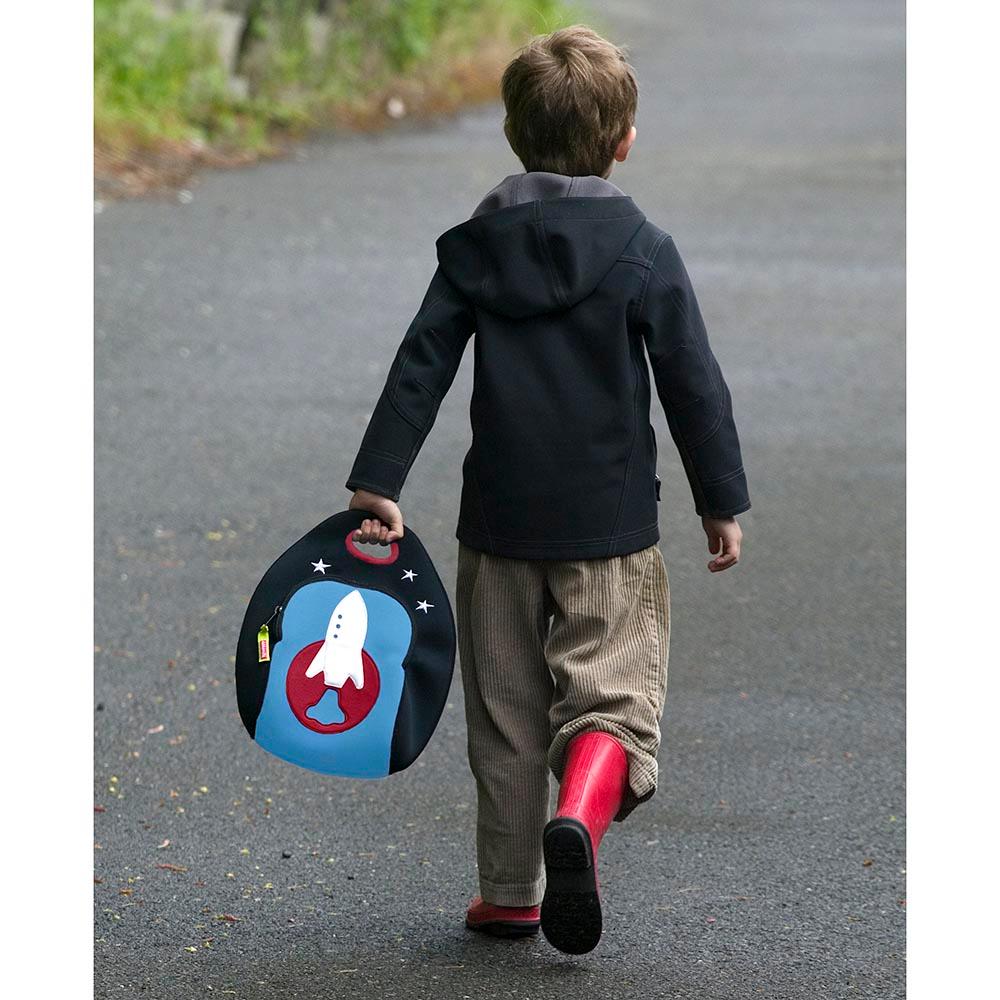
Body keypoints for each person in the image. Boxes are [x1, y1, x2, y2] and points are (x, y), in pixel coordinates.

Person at [343, 24, 750, 954]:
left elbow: (421, 366)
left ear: (513, 135)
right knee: (610, 696)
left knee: (510, 716)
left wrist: (378, 482)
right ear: (624, 140)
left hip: (499, 524)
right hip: (609, 525)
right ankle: (585, 803)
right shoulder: (644, 248)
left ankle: (509, 893)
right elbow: (694, 379)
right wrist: (718, 498)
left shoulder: (476, 251)